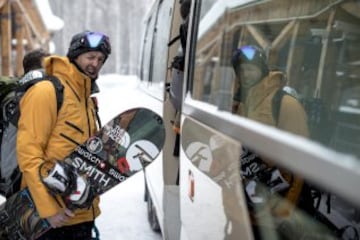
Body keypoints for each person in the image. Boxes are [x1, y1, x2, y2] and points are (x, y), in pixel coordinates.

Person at [16, 31, 111, 239]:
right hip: (50, 218)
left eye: (100, 59)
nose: (95, 64)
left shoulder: (86, 99)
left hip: (81, 214)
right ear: (75, 55)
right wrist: (48, 210)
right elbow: (28, 153)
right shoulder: (46, 92)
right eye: (90, 57)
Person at [231, 45, 310, 239]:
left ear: (262, 69)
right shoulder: (240, 104)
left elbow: (299, 162)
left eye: (250, 69)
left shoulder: (285, 104)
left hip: (273, 212)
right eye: (241, 70)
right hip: (245, 208)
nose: (245, 74)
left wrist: (283, 211)